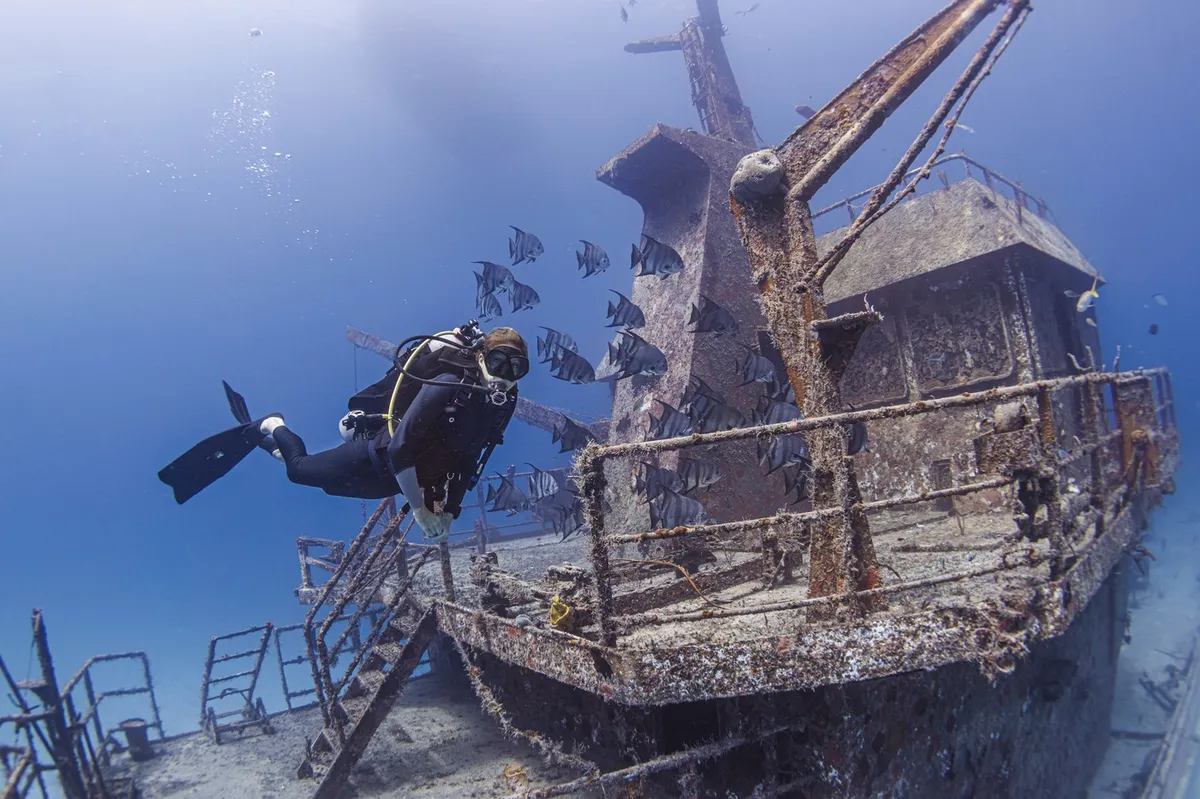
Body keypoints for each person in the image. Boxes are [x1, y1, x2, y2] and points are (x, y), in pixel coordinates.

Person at [158, 324, 529, 543]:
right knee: (298, 471)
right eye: (498, 362)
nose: (504, 375)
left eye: (516, 368)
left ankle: (270, 446)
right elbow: (401, 448)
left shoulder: (498, 408)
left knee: (327, 484)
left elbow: (469, 461)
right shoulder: (448, 382)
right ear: (480, 357)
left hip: (394, 481)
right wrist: (420, 510)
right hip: (377, 457)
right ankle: (273, 425)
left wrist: (449, 510)